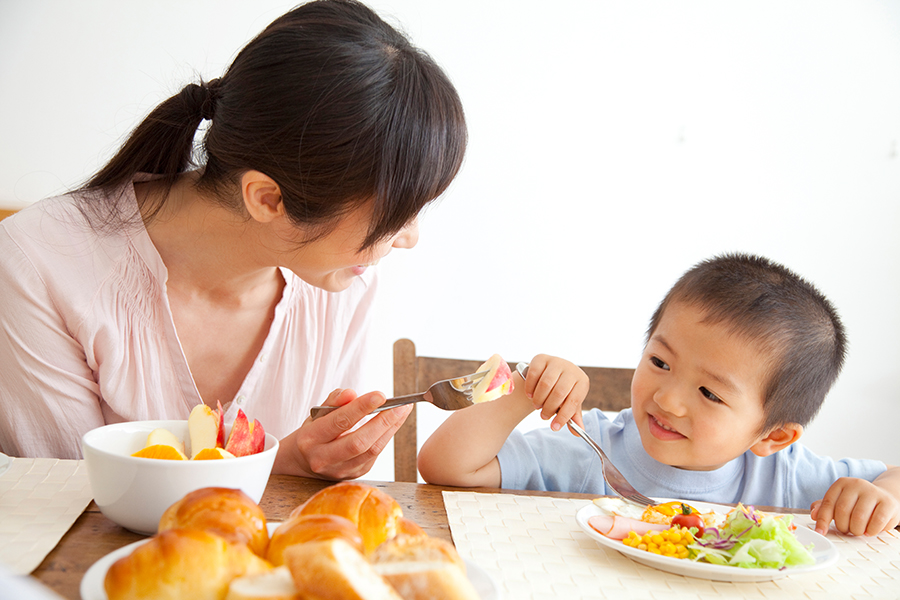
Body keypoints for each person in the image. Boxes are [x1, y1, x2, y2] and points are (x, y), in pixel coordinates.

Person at [0, 0, 467, 481]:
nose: (409, 238)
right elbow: (69, 506)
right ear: (267, 199)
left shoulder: (340, 280)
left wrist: (326, 464)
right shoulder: (37, 264)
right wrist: (280, 465)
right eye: (393, 216)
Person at [418, 253, 900, 536]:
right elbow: (445, 467)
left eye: (710, 393)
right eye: (660, 363)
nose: (667, 400)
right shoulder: (591, 450)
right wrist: (523, 388)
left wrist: (876, 499)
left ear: (773, 436)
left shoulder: (787, 478)